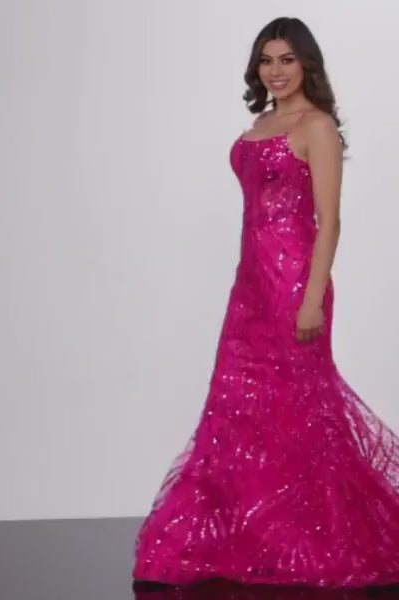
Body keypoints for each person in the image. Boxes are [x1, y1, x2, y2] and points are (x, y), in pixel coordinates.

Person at [132, 16, 399, 589]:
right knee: (238, 410)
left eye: (287, 60)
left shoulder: (316, 126)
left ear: (307, 65)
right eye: (266, 60)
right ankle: (257, 536)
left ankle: (322, 536)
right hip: (250, 285)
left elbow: (329, 222)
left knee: (302, 408)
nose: (276, 71)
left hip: (295, 284)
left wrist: (312, 299)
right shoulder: (260, 124)